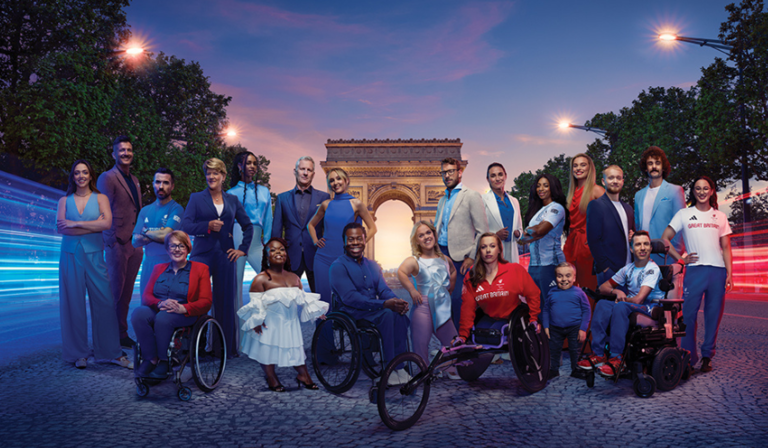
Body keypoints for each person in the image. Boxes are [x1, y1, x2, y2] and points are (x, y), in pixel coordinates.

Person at [57, 159, 132, 369]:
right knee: (73, 304)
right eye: (77, 173)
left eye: (85, 172)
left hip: (95, 254)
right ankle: (78, 353)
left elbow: (106, 224)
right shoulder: (64, 201)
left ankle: (110, 353)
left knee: (105, 302)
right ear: (73, 176)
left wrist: (76, 223)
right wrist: (93, 225)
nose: (81, 176)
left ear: (91, 175)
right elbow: (62, 229)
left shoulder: (101, 198)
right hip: (70, 254)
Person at [182, 158, 253, 358]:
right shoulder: (196, 198)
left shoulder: (232, 200)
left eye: (215, 173)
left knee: (225, 302)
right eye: (208, 173)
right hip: (201, 254)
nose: (211, 177)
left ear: (223, 176)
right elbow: (186, 225)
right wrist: (206, 226)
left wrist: (242, 249)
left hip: (225, 254)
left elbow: (248, 226)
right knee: (198, 301)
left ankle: (223, 349)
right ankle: (195, 348)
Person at [661, 176, 732, 373]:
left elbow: (726, 247)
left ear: (711, 191)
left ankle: (708, 355)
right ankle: (688, 357)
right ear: (693, 191)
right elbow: (665, 238)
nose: (701, 192)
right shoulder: (684, 214)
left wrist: (730, 273)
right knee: (688, 315)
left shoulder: (720, 216)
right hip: (695, 271)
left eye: (705, 188)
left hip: (717, 271)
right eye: (698, 188)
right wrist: (681, 258)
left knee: (713, 315)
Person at [238, 238, 328, 392]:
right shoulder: (261, 279)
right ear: (266, 256)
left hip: (291, 323)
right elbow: (255, 303)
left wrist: (315, 310)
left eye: (281, 249)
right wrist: (257, 321)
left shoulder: (294, 278)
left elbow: (303, 298)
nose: (278, 252)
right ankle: (271, 376)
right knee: (267, 349)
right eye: (272, 250)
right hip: (269, 322)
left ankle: (303, 375)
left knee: (295, 350)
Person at [330, 223, 411, 384]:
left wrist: (395, 301)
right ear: (344, 241)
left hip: (372, 310)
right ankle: (389, 368)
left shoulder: (373, 266)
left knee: (398, 314)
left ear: (365, 240)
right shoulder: (337, 266)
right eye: (351, 239)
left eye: (359, 239)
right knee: (387, 314)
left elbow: (384, 289)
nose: (355, 243)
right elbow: (350, 298)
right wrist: (384, 305)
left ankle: (399, 367)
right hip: (351, 312)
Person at [577, 231, 665, 377]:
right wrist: (617, 292)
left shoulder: (652, 269)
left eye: (646, 244)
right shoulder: (628, 269)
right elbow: (603, 287)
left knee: (620, 307)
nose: (642, 248)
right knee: (603, 304)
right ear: (631, 249)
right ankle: (598, 354)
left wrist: (622, 299)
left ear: (650, 248)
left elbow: (639, 299)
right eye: (638, 244)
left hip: (650, 307)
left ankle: (617, 358)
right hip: (629, 305)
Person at [131, 231, 212, 379]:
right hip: (161, 308)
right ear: (167, 249)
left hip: (184, 313)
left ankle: (164, 361)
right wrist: (160, 303)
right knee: (138, 313)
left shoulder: (201, 269)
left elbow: (206, 301)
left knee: (163, 318)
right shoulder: (158, 268)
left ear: (188, 249)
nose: (177, 249)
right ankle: (151, 358)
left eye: (181, 246)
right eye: (173, 246)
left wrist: (183, 308)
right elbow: (146, 296)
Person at [453, 232, 541, 347]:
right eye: (483, 247)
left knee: (493, 335)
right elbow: (467, 308)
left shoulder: (515, 270)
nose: (488, 250)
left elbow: (533, 294)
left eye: (492, 246)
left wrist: (533, 318)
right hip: (489, 317)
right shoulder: (471, 276)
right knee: (479, 336)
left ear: (499, 250)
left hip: (511, 318)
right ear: (479, 251)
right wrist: (463, 335)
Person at [97, 135, 143, 348]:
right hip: (117, 243)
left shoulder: (133, 179)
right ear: (114, 154)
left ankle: (121, 334)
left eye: (129, 150)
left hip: (134, 244)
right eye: (122, 150)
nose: (126, 153)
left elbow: (136, 209)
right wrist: (111, 242)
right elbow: (102, 210)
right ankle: (105, 338)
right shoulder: (107, 177)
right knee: (113, 293)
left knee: (126, 294)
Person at [308, 168, 376, 309]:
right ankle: (323, 331)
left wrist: (358, 244)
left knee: (348, 300)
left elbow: (373, 228)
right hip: (322, 258)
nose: (335, 183)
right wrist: (315, 241)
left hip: (344, 258)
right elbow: (311, 225)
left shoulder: (356, 204)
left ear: (347, 181)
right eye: (331, 180)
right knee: (323, 303)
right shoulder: (326, 204)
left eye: (338, 179)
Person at [397, 221, 458, 375]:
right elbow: (401, 272)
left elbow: (453, 271)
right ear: (416, 240)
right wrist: (412, 290)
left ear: (434, 234)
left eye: (428, 233)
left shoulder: (445, 259)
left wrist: (450, 288)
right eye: (421, 235)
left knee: (453, 343)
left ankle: (449, 369)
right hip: (422, 309)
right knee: (420, 345)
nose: (426, 237)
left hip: (442, 310)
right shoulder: (414, 260)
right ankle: (423, 373)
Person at [435, 157, 489, 329]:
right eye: (444, 172)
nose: (447, 175)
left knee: (458, 299)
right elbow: (438, 228)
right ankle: (450, 342)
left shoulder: (472, 196)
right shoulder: (442, 200)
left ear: (460, 172)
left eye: (451, 171)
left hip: (461, 258)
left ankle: (462, 340)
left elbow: (483, 231)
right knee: (442, 301)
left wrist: (472, 257)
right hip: (442, 255)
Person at [272, 156, 330, 292]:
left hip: (317, 256)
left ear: (313, 174)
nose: (305, 173)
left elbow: (328, 228)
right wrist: (276, 258)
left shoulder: (324, 198)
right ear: (295, 171)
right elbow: (276, 231)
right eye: (302, 169)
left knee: (321, 301)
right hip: (290, 257)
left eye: (309, 170)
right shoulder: (282, 198)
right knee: (286, 300)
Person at [227, 151, 272, 308]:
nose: (252, 166)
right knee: (235, 287)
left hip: (256, 242)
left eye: (254, 163)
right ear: (240, 166)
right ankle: (236, 331)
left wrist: (267, 244)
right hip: (237, 239)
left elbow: (268, 220)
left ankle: (267, 325)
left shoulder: (264, 191)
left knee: (271, 279)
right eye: (248, 163)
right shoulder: (231, 193)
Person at [132, 168, 184, 295]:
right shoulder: (145, 211)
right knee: (146, 306)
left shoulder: (176, 209)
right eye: (158, 182)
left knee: (167, 307)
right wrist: (160, 234)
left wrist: (147, 232)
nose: (161, 186)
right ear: (153, 184)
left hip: (169, 264)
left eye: (165, 183)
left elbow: (167, 235)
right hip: (148, 265)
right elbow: (135, 241)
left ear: (172, 186)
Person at [634, 146, 686, 266]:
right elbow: (638, 225)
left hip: (666, 256)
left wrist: (675, 255)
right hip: (644, 255)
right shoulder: (638, 195)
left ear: (663, 167)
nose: (654, 167)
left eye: (657, 163)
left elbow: (681, 226)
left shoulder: (675, 190)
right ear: (646, 168)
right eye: (650, 163)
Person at [520, 173, 569, 298]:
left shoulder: (557, 208)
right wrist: (533, 231)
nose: (540, 189)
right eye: (538, 186)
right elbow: (523, 239)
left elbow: (540, 231)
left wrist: (531, 230)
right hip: (534, 265)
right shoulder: (538, 211)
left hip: (550, 264)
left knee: (552, 301)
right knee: (536, 303)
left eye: (545, 186)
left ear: (552, 187)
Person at [586, 165, 635, 286]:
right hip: (609, 270)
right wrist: (605, 268)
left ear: (622, 181)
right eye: (611, 178)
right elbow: (593, 240)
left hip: (629, 269)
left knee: (626, 304)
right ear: (603, 181)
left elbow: (632, 234)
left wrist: (633, 237)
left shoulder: (628, 208)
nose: (615, 181)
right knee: (609, 304)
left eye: (618, 178)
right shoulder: (596, 205)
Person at [541, 262, 591, 379]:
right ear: (556, 278)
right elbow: (546, 310)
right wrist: (546, 326)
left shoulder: (579, 293)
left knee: (575, 350)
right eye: (560, 276)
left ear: (574, 278)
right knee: (553, 350)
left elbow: (587, 311)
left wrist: (583, 329)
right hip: (555, 327)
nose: (564, 279)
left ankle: (576, 369)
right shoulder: (552, 292)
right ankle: (553, 370)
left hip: (575, 327)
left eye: (568, 276)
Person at [564, 153, 604, 290]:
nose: (578, 168)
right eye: (575, 165)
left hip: (587, 246)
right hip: (571, 244)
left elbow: (611, 218)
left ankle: (590, 312)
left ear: (590, 168)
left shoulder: (596, 190)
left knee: (588, 286)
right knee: (570, 285)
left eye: (583, 164)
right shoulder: (571, 193)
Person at [482, 162, 523, 263]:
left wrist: (518, 234)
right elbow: (476, 230)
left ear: (505, 176)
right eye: (493, 176)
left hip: (512, 250)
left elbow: (520, 227)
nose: (497, 179)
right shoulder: (481, 200)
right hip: (493, 251)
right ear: (488, 179)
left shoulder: (514, 201)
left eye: (500, 174)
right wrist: (495, 235)